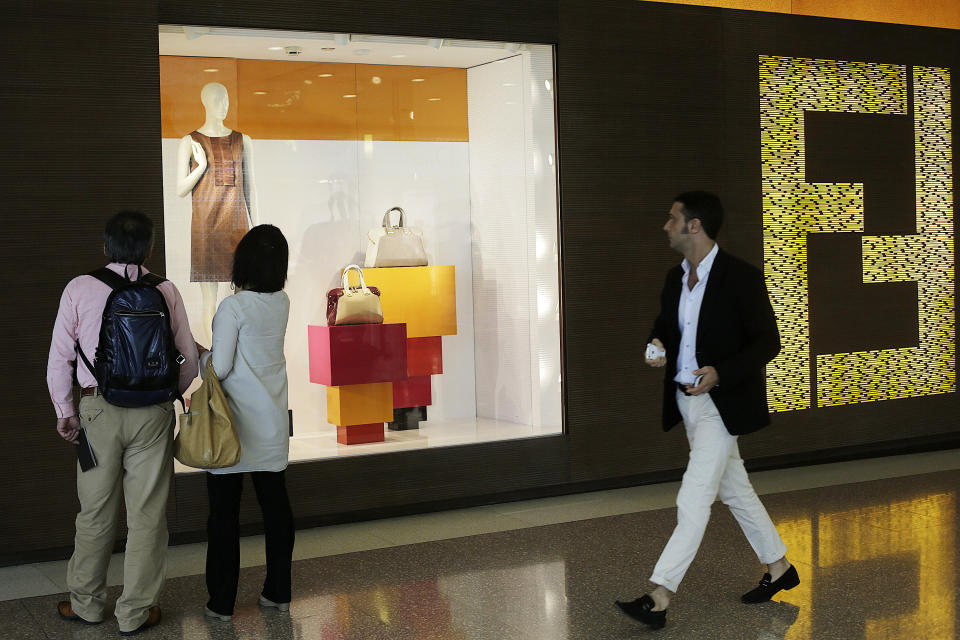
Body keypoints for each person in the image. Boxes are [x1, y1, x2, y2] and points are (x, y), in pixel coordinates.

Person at [615, 192, 799, 629]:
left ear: (694, 226)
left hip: (722, 403)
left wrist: (721, 371)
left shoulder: (741, 278)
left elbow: (768, 342)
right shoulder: (673, 278)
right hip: (686, 400)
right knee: (735, 489)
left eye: (672, 218)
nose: (666, 226)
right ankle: (780, 568)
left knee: (694, 497)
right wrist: (656, 346)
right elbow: (665, 327)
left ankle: (659, 595)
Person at [47, 211, 199, 635]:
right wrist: (169, 394)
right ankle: (135, 611)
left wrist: (66, 412)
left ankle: (87, 604)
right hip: (152, 416)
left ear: (105, 247)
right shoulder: (164, 290)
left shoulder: (79, 288)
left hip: (97, 414)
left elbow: (59, 358)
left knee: (95, 512)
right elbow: (186, 356)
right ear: (150, 248)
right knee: (147, 515)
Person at [197, 224, 295, 620]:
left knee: (224, 515)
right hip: (270, 423)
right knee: (276, 510)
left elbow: (219, 367)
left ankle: (221, 602)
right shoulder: (281, 302)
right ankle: (278, 592)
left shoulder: (233, 308)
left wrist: (200, 355)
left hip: (231, 427)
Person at [176, 81, 258, 344]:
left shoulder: (243, 140)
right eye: (217, 100)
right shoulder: (189, 141)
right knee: (209, 298)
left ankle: (238, 351)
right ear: (205, 103)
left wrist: (257, 231)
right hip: (206, 227)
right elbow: (180, 189)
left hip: (237, 227)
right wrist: (199, 168)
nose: (223, 105)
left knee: (242, 295)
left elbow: (250, 188)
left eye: (226, 100)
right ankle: (216, 354)